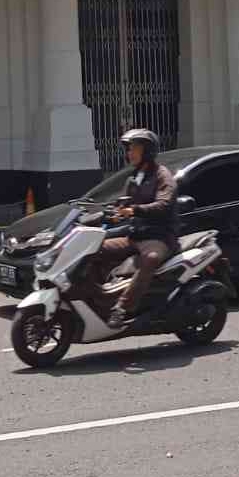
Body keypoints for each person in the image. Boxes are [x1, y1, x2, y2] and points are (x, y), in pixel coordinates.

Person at [101, 128, 178, 328]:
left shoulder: (163, 175)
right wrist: (107, 213)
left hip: (158, 237)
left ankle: (122, 308)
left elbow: (164, 204)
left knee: (150, 259)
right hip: (134, 236)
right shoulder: (134, 177)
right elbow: (120, 204)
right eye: (128, 149)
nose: (130, 153)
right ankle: (97, 298)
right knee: (95, 248)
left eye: (134, 149)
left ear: (148, 151)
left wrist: (134, 210)